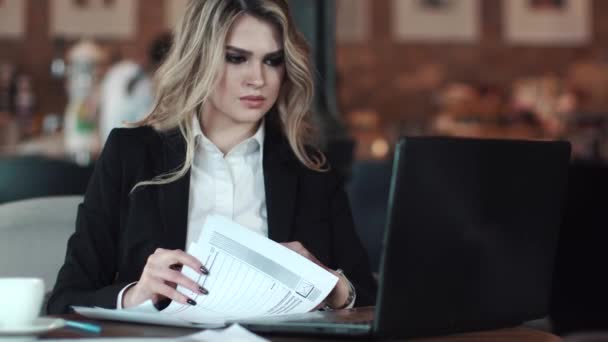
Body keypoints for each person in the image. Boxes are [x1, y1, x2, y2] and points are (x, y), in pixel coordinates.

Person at [47, 0, 376, 314]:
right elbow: (66, 300)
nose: (258, 79)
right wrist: (136, 295)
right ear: (199, 58)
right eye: (236, 58)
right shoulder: (131, 153)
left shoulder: (311, 168)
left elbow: (369, 296)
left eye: (272, 60)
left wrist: (331, 287)